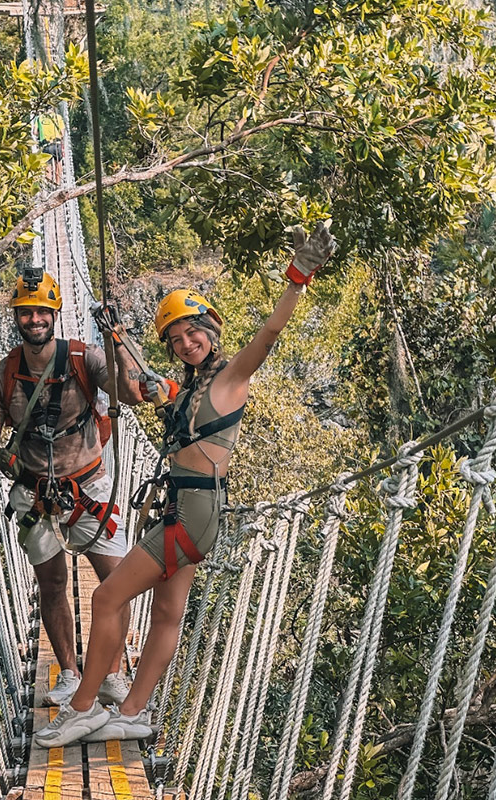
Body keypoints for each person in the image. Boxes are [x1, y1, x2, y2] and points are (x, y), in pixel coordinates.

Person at [32, 220, 337, 745]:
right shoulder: (185, 388)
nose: (185, 342)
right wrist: (114, 336)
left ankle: (83, 708)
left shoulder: (229, 378)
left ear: (211, 328)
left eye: (192, 331)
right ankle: (132, 712)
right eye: (175, 339)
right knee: (168, 612)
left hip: (192, 515)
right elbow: (134, 387)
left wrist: (298, 277)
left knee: (106, 599)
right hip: (187, 509)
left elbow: (268, 335)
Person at [0, 272, 144, 707]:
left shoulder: (85, 358)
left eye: (42, 311)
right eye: (27, 312)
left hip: (89, 490)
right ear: (17, 317)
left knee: (117, 582)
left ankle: (112, 674)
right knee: (53, 583)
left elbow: (129, 393)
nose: (35, 319)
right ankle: (71, 675)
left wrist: (116, 340)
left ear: (55, 315)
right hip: (33, 495)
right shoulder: (1, 375)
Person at [36, 111, 65, 186]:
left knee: (47, 164)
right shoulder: (58, 117)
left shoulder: (39, 118)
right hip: (56, 144)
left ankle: (49, 182)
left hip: (46, 145)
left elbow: (34, 132)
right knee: (58, 162)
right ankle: (58, 182)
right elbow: (62, 133)